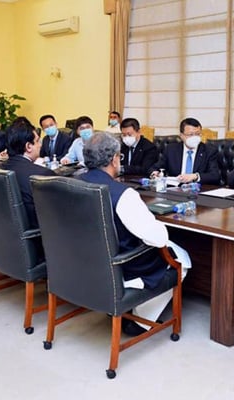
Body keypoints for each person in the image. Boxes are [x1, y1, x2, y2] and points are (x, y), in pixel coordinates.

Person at [79, 132, 190, 336]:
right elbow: (158, 239)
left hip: (85, 261)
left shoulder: (72, 183)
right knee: (181, 260)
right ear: (114, 159)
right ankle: (141, 321)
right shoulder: (123, 194)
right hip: (120, 267)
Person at [1, 120, 55, 229]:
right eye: (38, 141)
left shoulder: (0, 169)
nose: (40, 145)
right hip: (39, 235)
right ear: (28, 146)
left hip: (8, 232)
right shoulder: (42, 175)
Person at [148, 117, 220, 185]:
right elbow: (155, 167)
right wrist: (154, 173)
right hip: (174, 191)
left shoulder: (209, 151)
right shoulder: (171, 149)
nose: (194, 138)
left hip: (198, 191)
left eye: (198, 134)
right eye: (191, 134)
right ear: (181, 135)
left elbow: (215, 176)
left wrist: (195, 176)